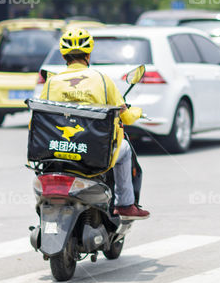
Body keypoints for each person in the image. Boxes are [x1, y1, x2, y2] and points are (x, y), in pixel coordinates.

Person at [38, 27, 150, 219]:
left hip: (56, 151)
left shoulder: (52, 83)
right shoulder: (103, 81)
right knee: (125, 149)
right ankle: (125, 205)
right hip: (92, 153)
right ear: (88, 54)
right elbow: (126, 116)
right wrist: (137, 112)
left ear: (64, 56)